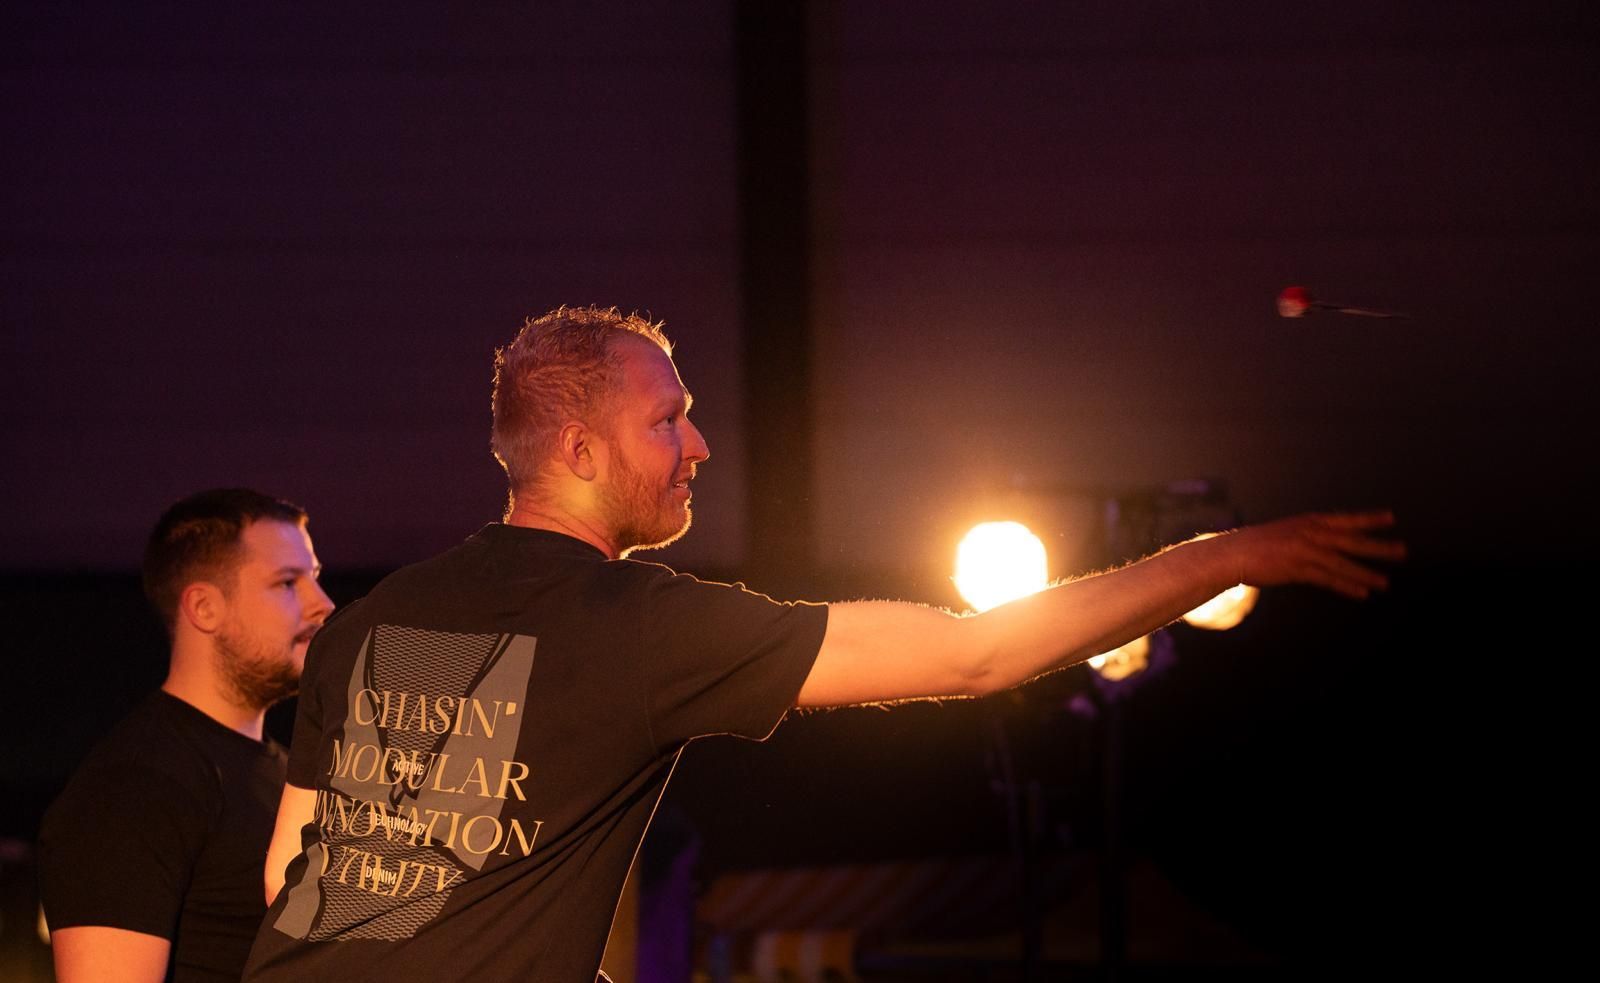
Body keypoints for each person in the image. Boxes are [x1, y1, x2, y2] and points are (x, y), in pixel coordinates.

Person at [242, 307, 1402, 981]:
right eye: (666, 419)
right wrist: (1219, 556)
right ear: (581, 453)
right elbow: (972, 656)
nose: (698, 443)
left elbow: (303, 869)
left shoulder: (377, 620)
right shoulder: (639, 623)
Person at [39, 489, 334, 982]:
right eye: (287, 582)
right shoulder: (132, 785)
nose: (322, 604)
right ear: (203, 607)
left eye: (316, 578)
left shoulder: (287, 773)